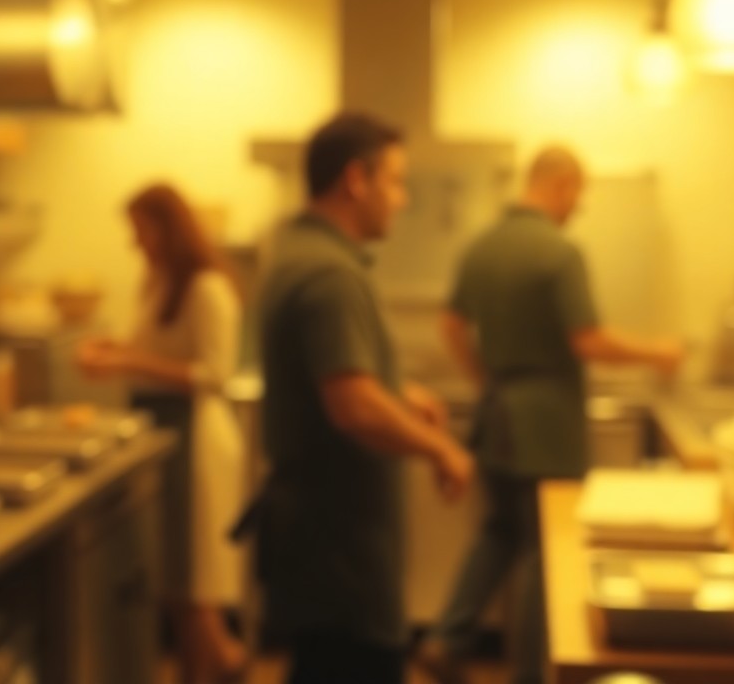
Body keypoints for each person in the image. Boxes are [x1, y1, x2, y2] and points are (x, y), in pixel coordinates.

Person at [417, 146, 684, 684]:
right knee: (548, 547)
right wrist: (656, 351)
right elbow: (587, 339)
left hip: (497, 416)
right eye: (577, 194)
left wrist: (486, 378)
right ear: (559, 185)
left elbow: (449, 326)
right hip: (545, 425)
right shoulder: (559, 253)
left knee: (498, 532)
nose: (577, 207)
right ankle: (533, 672)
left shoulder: (482, 246)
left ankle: (448, 638)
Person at [254, 112, 476, 684]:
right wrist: (441, 449)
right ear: (356, 180)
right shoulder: (331, 274)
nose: (402, 200)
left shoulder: (298, 251)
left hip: (319, 544)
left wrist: (401, 392)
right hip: (341, 548)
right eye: (396, 182)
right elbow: (351, 403)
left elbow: (335, 370)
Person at [75, 184, 248, 684]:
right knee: (175, 583)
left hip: (197, 441)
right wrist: (114, 349)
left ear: (167, 228)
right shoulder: (157, 281)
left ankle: (222, 666)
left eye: (141, 230)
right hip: (162, 436)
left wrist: (127, 360)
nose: (135, 243)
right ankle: (217, 666)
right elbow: (150, 347)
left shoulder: (208, 287)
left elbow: (215, 373)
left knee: (194, 583)